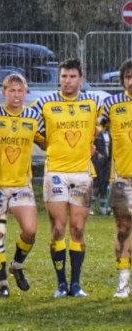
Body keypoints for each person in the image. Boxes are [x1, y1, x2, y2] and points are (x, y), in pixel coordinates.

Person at [36, 58, 102, 297]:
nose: (67, 81)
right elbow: (26, 121)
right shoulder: (45, 102)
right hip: (55, 173)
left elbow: (104, 125)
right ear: (59, 78)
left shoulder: (93, 102)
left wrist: (93, 144)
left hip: (82, 174)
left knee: (77, 228)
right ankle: (60, 284)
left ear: (81, 79)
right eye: (63, 76)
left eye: (72, 76)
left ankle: (76, 284)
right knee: (58, 228)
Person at [0, 73, 40, 297]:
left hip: (21, 186)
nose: (16, 95)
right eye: (11, 90)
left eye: (20, 91)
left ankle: (16, 265)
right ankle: (2, 286)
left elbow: (49, 140)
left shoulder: (34, 117)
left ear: (26, 92)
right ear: (3, 92)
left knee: (30, 230)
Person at [100, 60, 132, 297]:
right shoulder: (111, 104)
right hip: (122, 179)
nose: (131, 81)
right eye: (128, 77)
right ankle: (123, 283)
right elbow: (93, 129)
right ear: (122, 79)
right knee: (123, 228)